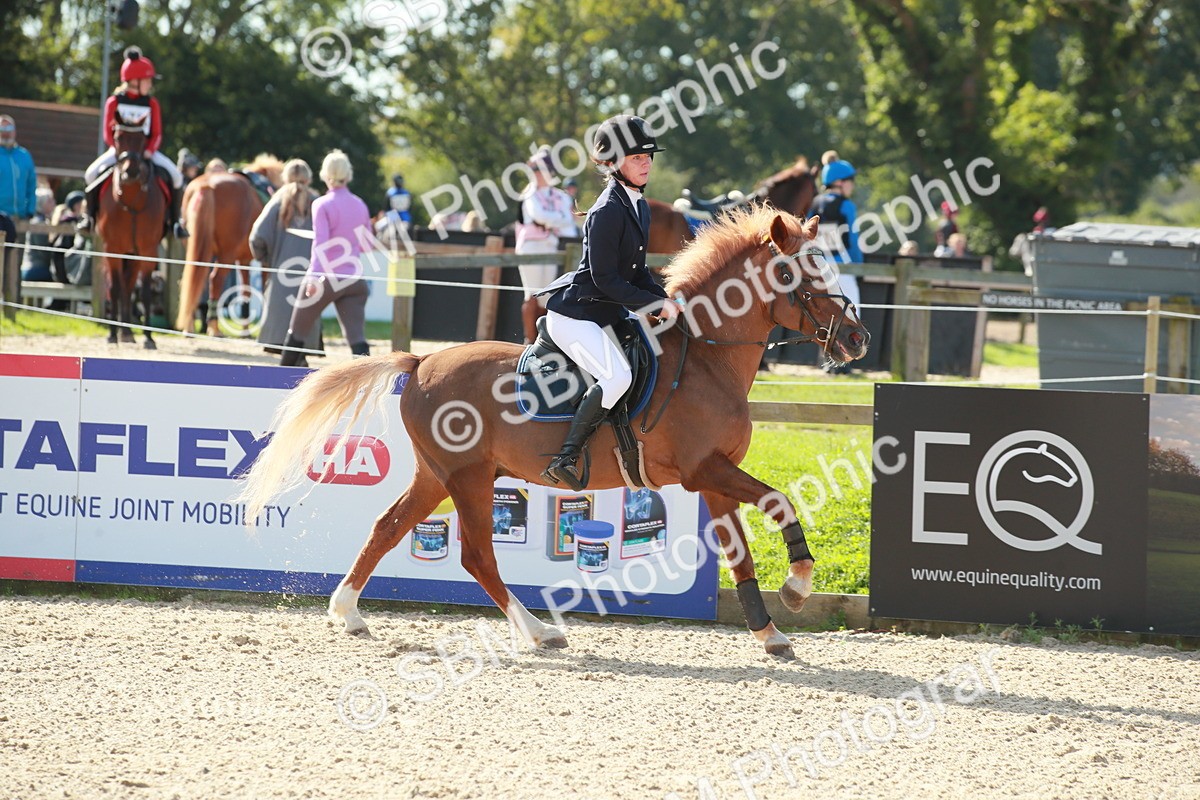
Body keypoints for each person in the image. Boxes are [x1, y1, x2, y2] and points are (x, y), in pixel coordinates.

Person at [537, 115, 679, 490]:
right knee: (618, 376)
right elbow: (606, 279)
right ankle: (565, 457)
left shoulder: (639, 206)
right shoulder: (606, 210)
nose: (646, 162)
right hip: (576, 316)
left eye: (649, 155)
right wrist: (652, 306)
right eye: (636, 157)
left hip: (606, 313)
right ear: (613, 162)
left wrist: (668, 298)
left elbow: (637, 272)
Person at [279, 149, 373, 366]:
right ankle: (370, 385)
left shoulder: (322, 204)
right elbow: (367, 245)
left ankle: (277, 380)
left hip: (327, 279)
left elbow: (320, 244)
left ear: (325, 174)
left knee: (296, 335)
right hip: (355, 280)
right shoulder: (360, 204)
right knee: (358, 341)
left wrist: (313, 278)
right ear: (348, 174)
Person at [81, 48, 187, 238]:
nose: (150, 84)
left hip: (145, 152)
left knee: (176, 177)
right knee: (90, 175)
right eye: (148, 80)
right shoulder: (114, 102)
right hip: (119, 152)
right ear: (134, 81)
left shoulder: (151, 103)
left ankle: (175, 222)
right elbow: (107, 132)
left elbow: (157, 133)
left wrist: (149, 150)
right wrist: (117, 150)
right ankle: (88, 218)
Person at [250, 158, 324, 360]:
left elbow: (256, 237)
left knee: (282, 341)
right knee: (304, 332)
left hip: (281, 278)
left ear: (285, 178)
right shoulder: (318, 203)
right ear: (308, 179)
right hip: (311, 280)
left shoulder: (276, 202)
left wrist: (266, 260)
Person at [517, 146, 578, 343]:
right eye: (534, 170)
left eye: (539, 170)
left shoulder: (559, 196)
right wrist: (556, 219)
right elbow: (540, 215)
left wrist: (553, 220)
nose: (536, 175)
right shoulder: (530, 194)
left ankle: (542, 341)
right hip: (531, 247)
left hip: (550, 246)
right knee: (532, 293)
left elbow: (568, 221)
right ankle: (529, 339)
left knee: (546, 296)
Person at [807, 158, 862, 309]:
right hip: (842, 270)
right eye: (851, 180)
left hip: (817, 269)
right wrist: (859, 267)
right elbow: (852, 240)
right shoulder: (847, 206)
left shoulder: (814, 203)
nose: (853, 185)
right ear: (840, 182)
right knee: (854, 315)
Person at [0, 115, 37, 221]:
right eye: (2, 129)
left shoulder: (24, 155)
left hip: (20, 217)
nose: (6, 133)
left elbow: (32, 184)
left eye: (9, 129)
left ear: (15, 131)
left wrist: (30, 211)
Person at [20, 188, 57, 282]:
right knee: (60, 276)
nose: (54, 202)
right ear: (42, 203)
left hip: (34, 268)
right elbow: (43, 250)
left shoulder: (40, 220)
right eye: (49, 201)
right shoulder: (39, 223)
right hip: (36, 268)